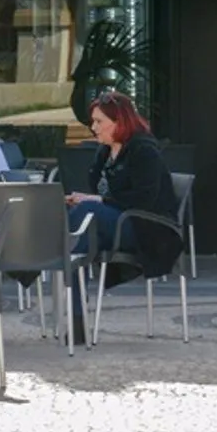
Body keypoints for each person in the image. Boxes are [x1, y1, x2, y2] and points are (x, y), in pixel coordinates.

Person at [64, 91, 181, 342]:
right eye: (93, 121)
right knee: (71, 217)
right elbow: (100, 192)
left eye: (99, 122)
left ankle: (72, 310)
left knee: (84, 214)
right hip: (115, 222)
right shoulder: (105, 151)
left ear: (120, 123)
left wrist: (96, 200)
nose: (93, 128)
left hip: (146, 226)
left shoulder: (143, 150)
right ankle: (75, 317)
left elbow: (144, 199)